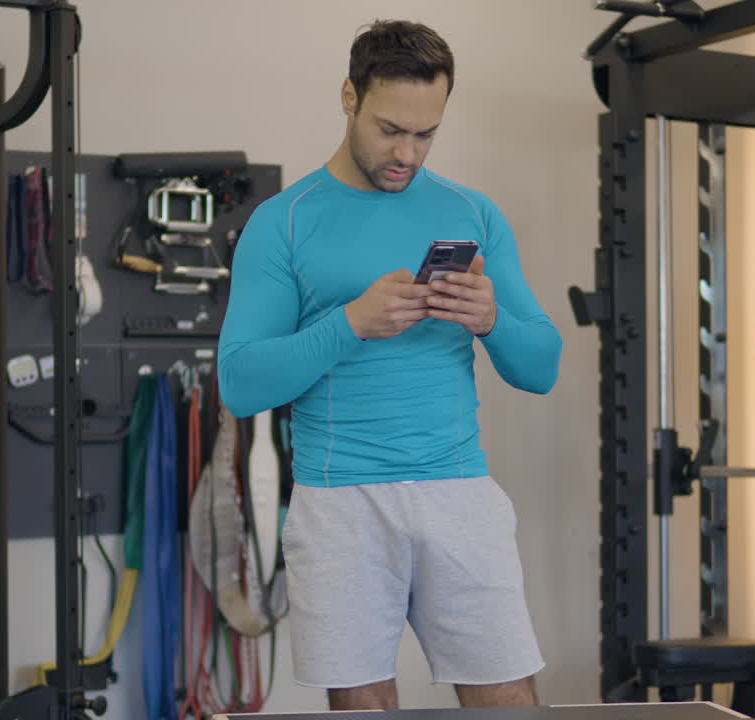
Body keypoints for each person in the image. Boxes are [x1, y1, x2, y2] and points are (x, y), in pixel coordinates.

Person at [218, 18, 562, 711]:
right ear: (349, 96)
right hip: (340, 500)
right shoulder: (284, 222)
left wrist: (490, 320)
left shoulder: (472, 212)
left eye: (426, 133)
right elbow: (241, 382)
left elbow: (541, 367)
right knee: (364, 705)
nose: (407, 153)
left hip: (457, 489)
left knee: (508, 697)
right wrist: (349, 324)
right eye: (389, 130)